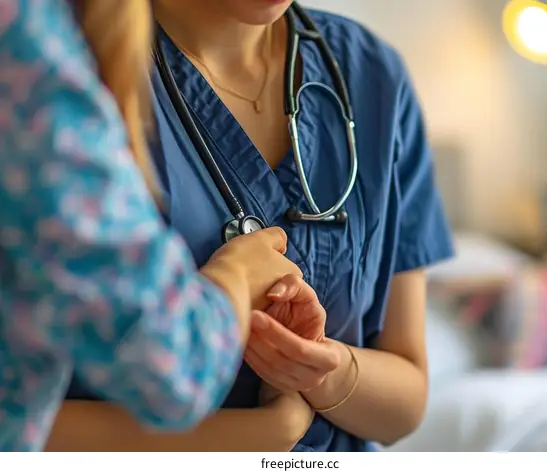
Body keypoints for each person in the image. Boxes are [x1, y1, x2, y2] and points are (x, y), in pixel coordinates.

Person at [58, 0, 455, 452]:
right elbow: (20, 417)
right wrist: (266, 434)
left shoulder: (371, 74)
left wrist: (327, 370)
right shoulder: (60, 67)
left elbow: (404, 404)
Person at [0, 0, 312, 452]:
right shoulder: (27, 39)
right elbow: (170, 368)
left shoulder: (365, 67)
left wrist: (336, 374)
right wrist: (238, 275)